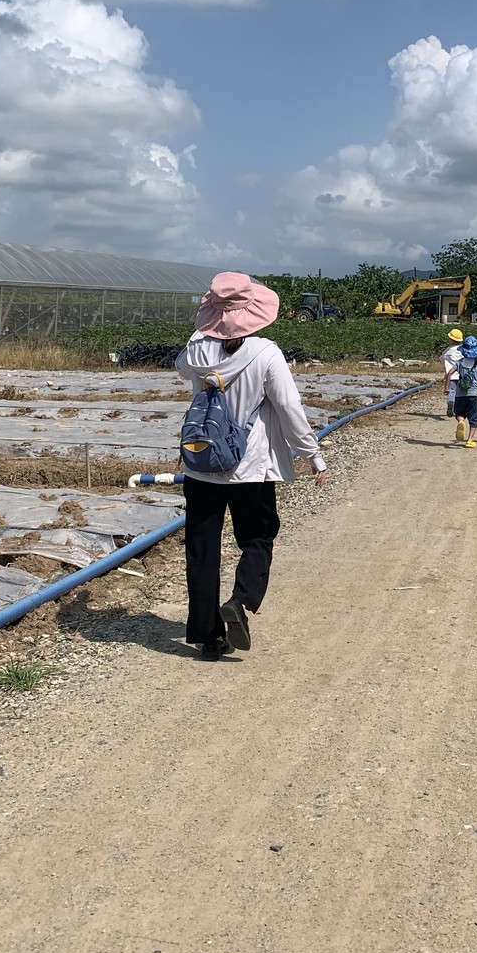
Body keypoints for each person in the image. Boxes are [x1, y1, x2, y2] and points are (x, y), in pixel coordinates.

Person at [175, 272, 326, 661]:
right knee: (258, 537)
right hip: (249, 465)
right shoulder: (266, 353)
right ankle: (240, 601)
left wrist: (204, 336)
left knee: (202, 548)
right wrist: (312, 455)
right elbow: (290, 408)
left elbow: (181, 366)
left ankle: (208, 637)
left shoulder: (197, 350)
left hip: (201, 462)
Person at [441, 326, 464, 417]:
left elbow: (442, 358)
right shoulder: (463, 350)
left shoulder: (448, 351)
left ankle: (450, 402)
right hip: (462, 375)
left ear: (451, 339)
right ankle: (459, 409)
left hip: (451, 376)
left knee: (451, 391)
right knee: (461, 392)